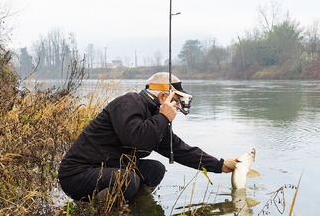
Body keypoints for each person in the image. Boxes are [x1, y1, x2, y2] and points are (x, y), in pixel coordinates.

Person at [58, 72, 234, 202]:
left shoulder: (155, 117)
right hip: (77, 175)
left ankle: (134, 210)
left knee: (155, 169)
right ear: (164, 97)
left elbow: (179, 150)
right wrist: (163, 117)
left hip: (106, 168)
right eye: (176, 101)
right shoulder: (129, 103)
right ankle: (98, 212)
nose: (178, 107)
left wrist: (220, 165)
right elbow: (135, 139)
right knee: (128, 179)